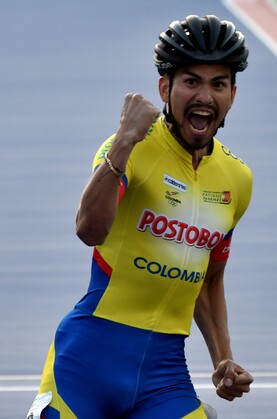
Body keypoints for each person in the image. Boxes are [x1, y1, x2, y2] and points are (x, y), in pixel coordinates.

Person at [27, 14, 254, 419]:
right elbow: (89, 230)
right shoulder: (130, 149)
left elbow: (209, 278)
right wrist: (124, 142)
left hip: (163, 376)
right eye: (191, 82)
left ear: (232, 94)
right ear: (164, 87)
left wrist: (223, 358)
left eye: (218, 83)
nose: (205, 95)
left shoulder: (237, 179)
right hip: (86, 364)